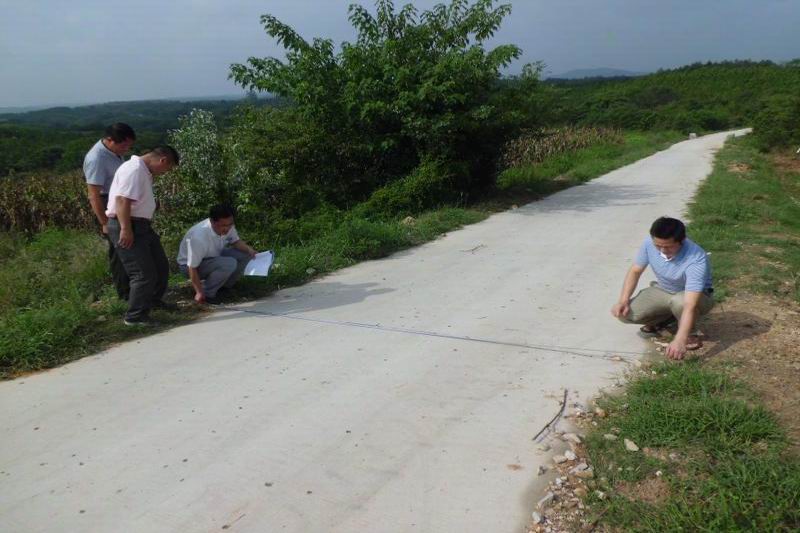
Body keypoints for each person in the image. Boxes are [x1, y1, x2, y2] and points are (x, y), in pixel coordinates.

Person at [611, 216, 714, 360]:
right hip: (663, 289)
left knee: (680, 302)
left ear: (682, 240)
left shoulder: (696, 258)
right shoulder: (649, 243)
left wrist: (679, 340)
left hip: (695, 296)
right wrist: (623, 300)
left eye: (669, 246)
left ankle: (689, 334)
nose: (663, 250)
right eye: (658, 245)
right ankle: (666, 319)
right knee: (624, 314)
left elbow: (689, 304)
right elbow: (635, 271)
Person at [106, 146, 180, 326]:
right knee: (142, 273)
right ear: (162, 160)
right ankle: (135, 316)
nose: (164, 173)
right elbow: (122, 200)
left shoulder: (143, 171)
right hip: (128, 224)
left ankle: (153, 301)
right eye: (167, 169)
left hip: (142, 225)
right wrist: (126, 229)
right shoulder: (134, 170)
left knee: (160, 266)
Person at [83, 123, 136, 300]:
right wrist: (104, 223)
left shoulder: (114, 152)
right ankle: (125, 294)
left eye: (129, 146)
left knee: (129, 247)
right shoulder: (96, 159)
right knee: (119, 250)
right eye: (123, 146)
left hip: (118, 200)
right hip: (106, 203)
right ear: (110, 140)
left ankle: (135, 288)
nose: (126, 149)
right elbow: (93, 195)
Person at [177, 205, 257, 304]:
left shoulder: (228, 226)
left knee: (246, 254)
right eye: (223, 225)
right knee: (229, 263)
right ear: (212, 222)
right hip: (189, 266)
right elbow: (192, 267)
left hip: (214, 255)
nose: (227, 229)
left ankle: (224, 287)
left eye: (230, 224)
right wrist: (199, 292)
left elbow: (235, 241)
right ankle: (208, 293)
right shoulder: (198, 237)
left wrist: (249, 250)